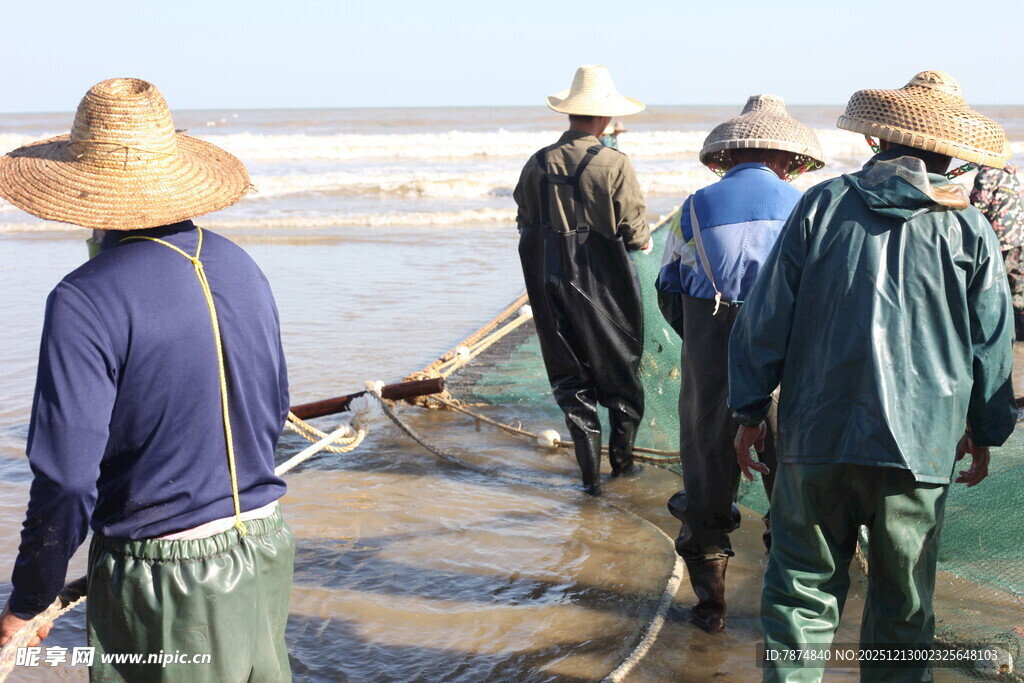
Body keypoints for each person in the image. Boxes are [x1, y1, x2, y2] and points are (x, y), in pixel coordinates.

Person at [0, 78, 294, 682]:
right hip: (265, 546)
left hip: (165, 579)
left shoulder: (84, 298)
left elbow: (67, 478)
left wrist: (30, 599)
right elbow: (272, 411)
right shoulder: (242, 266)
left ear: (80, 190)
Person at [729, 70, 1017, 682]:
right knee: (904, 608)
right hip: (921, 449)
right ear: (955, 157)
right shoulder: (969, 229)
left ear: (874, 141)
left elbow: (764, 320)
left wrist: (749, 412)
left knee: (799, 598)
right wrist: (986, 432)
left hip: (815, 439)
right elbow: (991, 348)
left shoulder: (822, 204)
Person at [655, 94, 824, 633]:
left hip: (711, 359)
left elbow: (667, 292)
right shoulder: (808, 207)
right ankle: (786, 610)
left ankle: (710, 610)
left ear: (727, 156)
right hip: (788, 366)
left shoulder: (693, 207)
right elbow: (823, 295)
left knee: (706, 469)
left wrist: (707, 340)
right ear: (788, 158)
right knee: (790, 475)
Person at [514, 65, 651, 496]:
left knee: (571, 386)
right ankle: (624, 469)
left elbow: (523, 221)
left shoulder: (535, 164)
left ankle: (590, 482)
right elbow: (636, 233)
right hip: (603, 286)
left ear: (570, 114)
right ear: (606, 118)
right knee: (621, 380)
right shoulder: (614, 163)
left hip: (547, 286)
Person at [970, 158, 1024, 339]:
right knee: (1017, 287)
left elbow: (977, 208)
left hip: (999, 241)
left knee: (995, 288)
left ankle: (1002, 335)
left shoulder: (986, 174)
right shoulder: (1012, 174)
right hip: (1019, 238)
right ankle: (1019, 333)